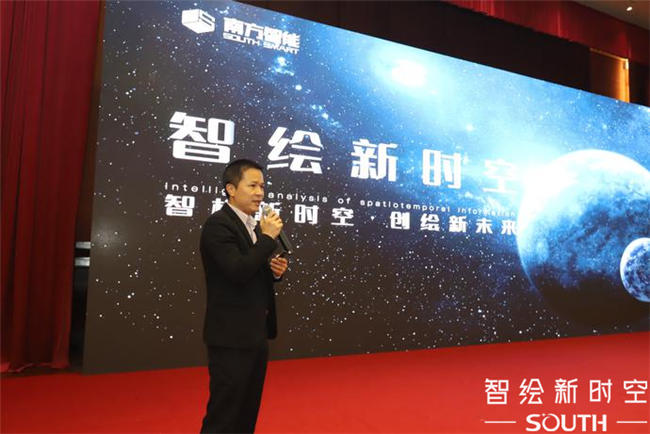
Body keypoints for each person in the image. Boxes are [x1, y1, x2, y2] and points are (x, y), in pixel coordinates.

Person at [199, 159, 288, 434]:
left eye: (262, 186)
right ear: (231, 189)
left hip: (254, 334)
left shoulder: (252, 227)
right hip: (230, 337)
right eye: (252, 186)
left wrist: (273, 272)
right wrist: (267, 239)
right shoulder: (218, 225)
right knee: (224, 416)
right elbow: (236, 272)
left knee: (247, 412)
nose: (260, 192)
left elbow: (249, 272)